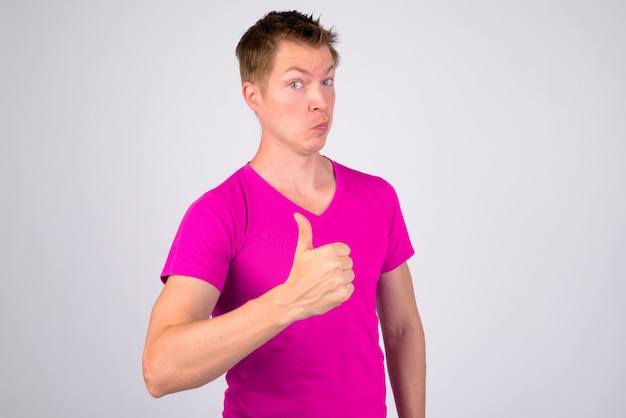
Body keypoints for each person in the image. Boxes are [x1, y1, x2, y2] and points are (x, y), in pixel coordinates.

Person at [142, 10, 426, 418]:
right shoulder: (219, 214)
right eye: (297, 84)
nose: (319, 101)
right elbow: (159, 370)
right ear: (252, 96)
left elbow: (402, 329)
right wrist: (287, 303)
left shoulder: (378, 197)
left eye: (326, 81)